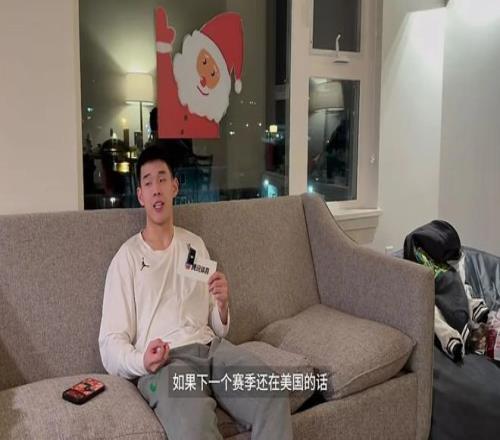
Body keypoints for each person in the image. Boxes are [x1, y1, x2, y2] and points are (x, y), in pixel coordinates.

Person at [99, 144, 292, 439]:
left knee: (272, 393)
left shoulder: (194, 246)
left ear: (175, 187)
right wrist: (142, 361)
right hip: (167, 365)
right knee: (194, 426)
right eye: (148, 183)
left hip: (212, 351)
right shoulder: (127, 258)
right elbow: (110, 343)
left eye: (162, 179)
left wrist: (222, 307)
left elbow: (214, 324)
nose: (156, 189)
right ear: (140, 196)